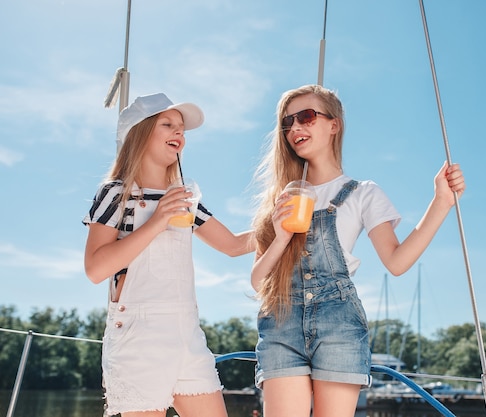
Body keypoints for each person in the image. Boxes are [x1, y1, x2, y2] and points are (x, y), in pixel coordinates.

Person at [250, 84, 465, 417]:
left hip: (339, 324)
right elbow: (258, 282)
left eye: (306, 117)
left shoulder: (363, 193)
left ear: (334, 124)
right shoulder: (279, 200)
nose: (295, 128)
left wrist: (441, 203)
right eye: (287, 122)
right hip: (280, 321)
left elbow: (397, 261)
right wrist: (280, 236)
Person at [83, 92, 255, 417]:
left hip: (187, 329)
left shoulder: (185, 199)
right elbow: (95, 268)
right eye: (168, 124)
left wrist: (277, 225)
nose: (180, 132)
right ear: (140, 132)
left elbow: (233, 245)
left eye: (182, 128)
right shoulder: (116, 194)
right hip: (139, 334)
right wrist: (157, 221)